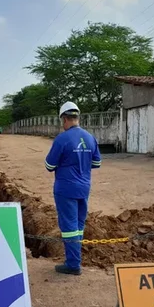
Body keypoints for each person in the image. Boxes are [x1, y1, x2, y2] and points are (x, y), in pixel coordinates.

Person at [45, 101, 101, 275]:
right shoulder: (90, 137)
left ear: (64, 119)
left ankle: (73, 264)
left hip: (66, 189)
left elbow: (49, 165)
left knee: (69, 227)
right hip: (84, 188)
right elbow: (96, 162)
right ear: (77, 117)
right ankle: (75, 259)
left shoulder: (62, 139)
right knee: (78, 225)